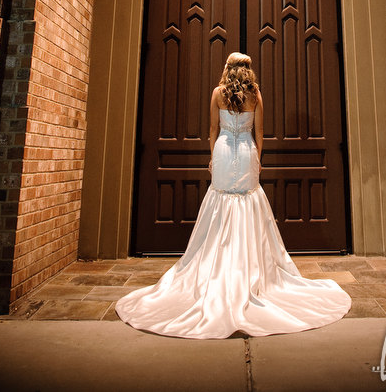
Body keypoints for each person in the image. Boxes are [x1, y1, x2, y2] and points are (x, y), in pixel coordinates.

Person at [115, 52, 351, 338]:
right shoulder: (256, 95)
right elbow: (260, 132)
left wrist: (213, 157)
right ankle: (250, 269)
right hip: (247, 152)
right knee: (249, 201)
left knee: (221, 200)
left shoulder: (217, 93)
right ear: (249, 71)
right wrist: (258, 159)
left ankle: (217, 266)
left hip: (225, 151)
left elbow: (213, 129)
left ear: (227, 69)